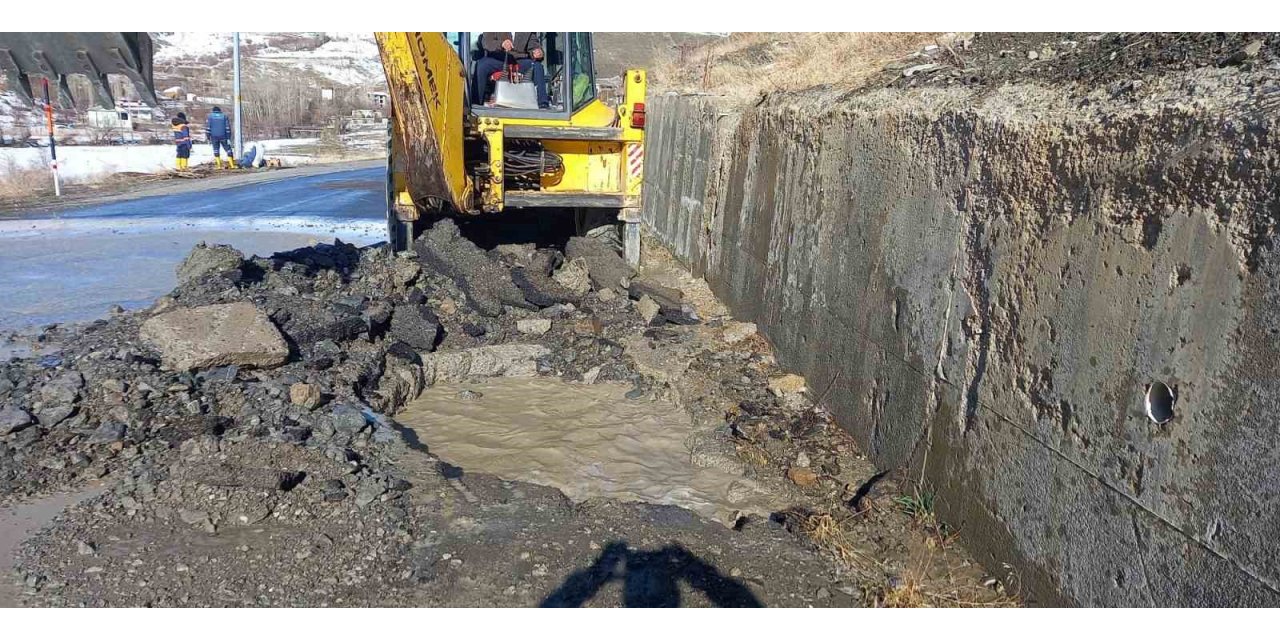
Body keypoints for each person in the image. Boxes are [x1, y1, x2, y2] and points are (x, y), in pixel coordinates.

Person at [472, 32, 549, 109]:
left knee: (537, 66)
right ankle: (475, 103)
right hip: (498, 59)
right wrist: (501, 44)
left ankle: (543, 104)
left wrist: (538, 52)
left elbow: (533, 45)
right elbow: (487, 43)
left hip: (519, 60)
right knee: (482, 65)